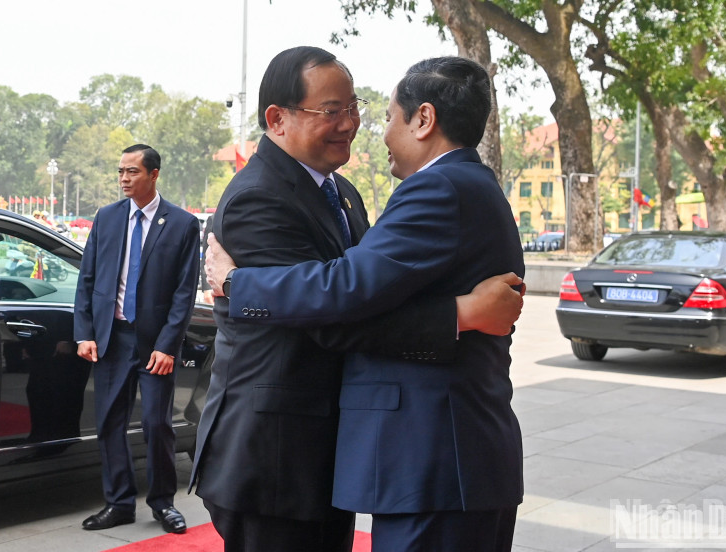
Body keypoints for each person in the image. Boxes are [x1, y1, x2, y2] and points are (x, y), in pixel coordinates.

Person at [190, 47, 524, 552]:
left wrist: (238, 282)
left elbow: (353, 295)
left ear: (425, 120)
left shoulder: (360, 193)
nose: (355, 124)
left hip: (416, 456)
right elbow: (334, 315)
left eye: (360, 108)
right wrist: (463, 314)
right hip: (276, 457)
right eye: (333, 110)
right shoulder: (258, 195)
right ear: (277, 119)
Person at [74, 144, 200, 534]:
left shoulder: (181, 223)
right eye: (121, 172)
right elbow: (88, 279)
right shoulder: (107, 218)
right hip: (112, 339)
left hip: (154, 345)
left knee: (155, 424)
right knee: (110, 423)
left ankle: (163, 503)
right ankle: (119, 503)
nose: (125, 179)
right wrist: (85, 333)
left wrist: (167, 345)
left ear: (154, 174)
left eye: (133, 172)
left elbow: (184, 292)